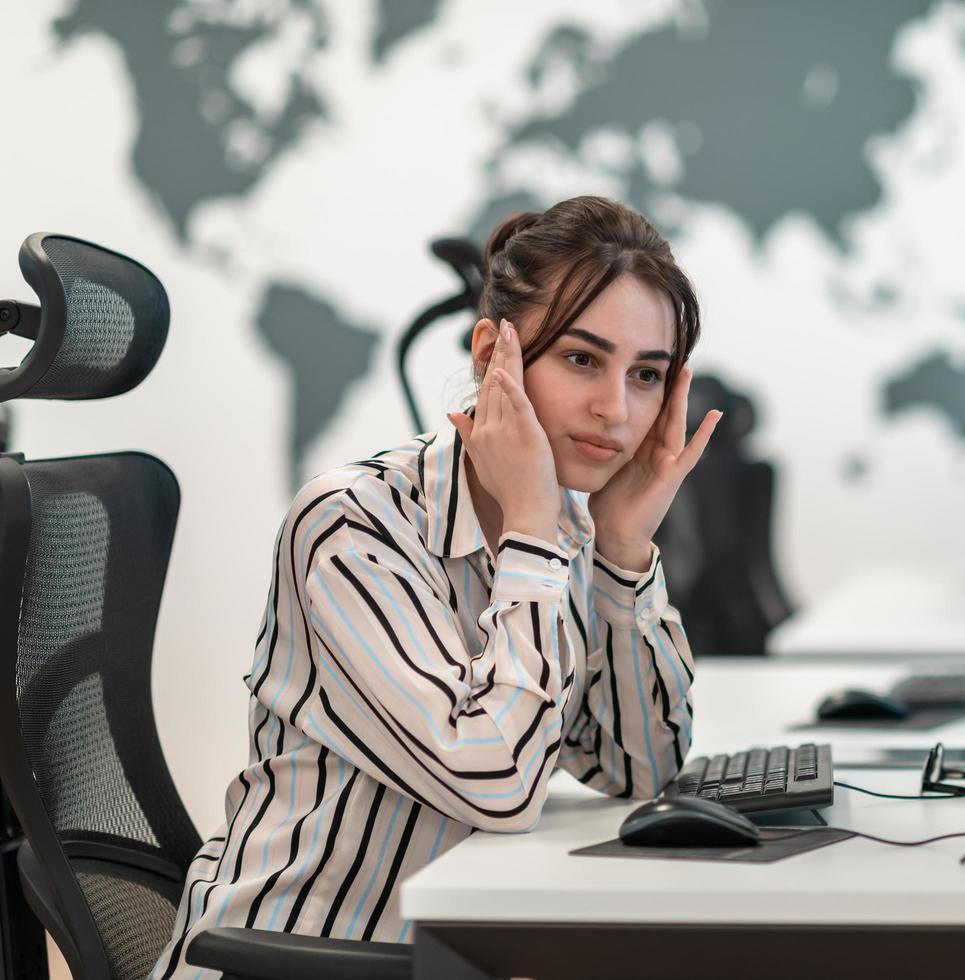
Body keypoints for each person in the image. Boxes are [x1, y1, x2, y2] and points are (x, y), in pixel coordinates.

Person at [152, 196, 718, 978]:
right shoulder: (354, 524)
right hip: (291, 963)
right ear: (493, 353)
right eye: (582, 359)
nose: (616, 409)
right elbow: (499, 784)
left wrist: (622, 552)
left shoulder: (567, 539)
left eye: (646, 375)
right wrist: (530, 529)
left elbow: (640, 771)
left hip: (440, 959)